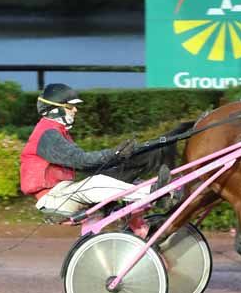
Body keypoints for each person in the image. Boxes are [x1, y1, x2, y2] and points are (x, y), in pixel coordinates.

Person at [19, 83, 160, 217]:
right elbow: (82, 161)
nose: (75, 110)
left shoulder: (57, 131)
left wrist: (119, 160)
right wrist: (114, 153)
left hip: (62, 192)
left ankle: (144, 219)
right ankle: (155, 193)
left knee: (117, 178)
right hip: (53, 198)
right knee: (96, 183)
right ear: (54, 110)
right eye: (70, 106)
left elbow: (88, 166)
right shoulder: (48, 134)